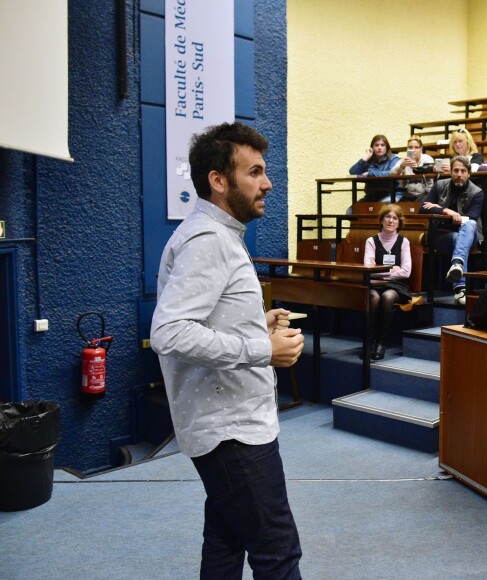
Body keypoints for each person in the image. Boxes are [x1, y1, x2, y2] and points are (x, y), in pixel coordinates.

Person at [150, 122, 304, 579]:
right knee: (278, 554)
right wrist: (261, 347)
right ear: (219, 180)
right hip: (232, 433)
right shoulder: (209, 241)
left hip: (229, 426)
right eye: (254, 172)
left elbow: (208, 318)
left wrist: (259, 323)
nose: (268, 183)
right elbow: (171, 332)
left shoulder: (217, 233)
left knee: (225, 541)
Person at [420, 156, 484, 305]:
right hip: (440, 236)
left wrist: (446, 213)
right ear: (451, 172)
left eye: (463, 171)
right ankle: (460, 285)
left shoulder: (477, 192)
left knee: (470, 225)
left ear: (469, 173)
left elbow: (472, 217)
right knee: (458, 239)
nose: (459, 174)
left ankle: (457, 270)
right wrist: (447, 211)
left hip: (469, 234)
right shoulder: (440, 185)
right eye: (456, 170)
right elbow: (423, 207)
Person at [363, 204, 412, 360]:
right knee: (374, 297)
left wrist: (380, 272)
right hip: (374, 284)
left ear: (399, 222)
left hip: (396, 286)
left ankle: (380, 343)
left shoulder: (404, 242)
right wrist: (392, 270)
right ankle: (368, 341)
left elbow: (406, 271)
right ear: (382, 220)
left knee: (387, 297)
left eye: (395, 218)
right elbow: (368, 269)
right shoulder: (371, 241)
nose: (391, 221)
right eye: (387, 217)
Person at [349, 134, 400, 207]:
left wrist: (370, 173)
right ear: (372, 148)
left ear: (387, 148)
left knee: (378, 209)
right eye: (376, 145)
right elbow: (353, 172)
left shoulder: (394, 159)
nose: (379, 148)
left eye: (382, 145)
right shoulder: (369, 160)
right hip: (371, 197)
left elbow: (391, 173)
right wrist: (366, 157)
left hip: (390, 195)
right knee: (351, 212)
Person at [389, 135, 435, 201]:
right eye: (410, 147)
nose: (413, 150)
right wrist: (401, 166)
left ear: (421, 149)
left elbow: (429, 171)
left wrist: (418, 169)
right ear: (407, 149)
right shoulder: (404, 161)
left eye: (416, 147)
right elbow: (391, 173)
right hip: (409, 194)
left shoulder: (428, 159)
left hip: (426, 193)